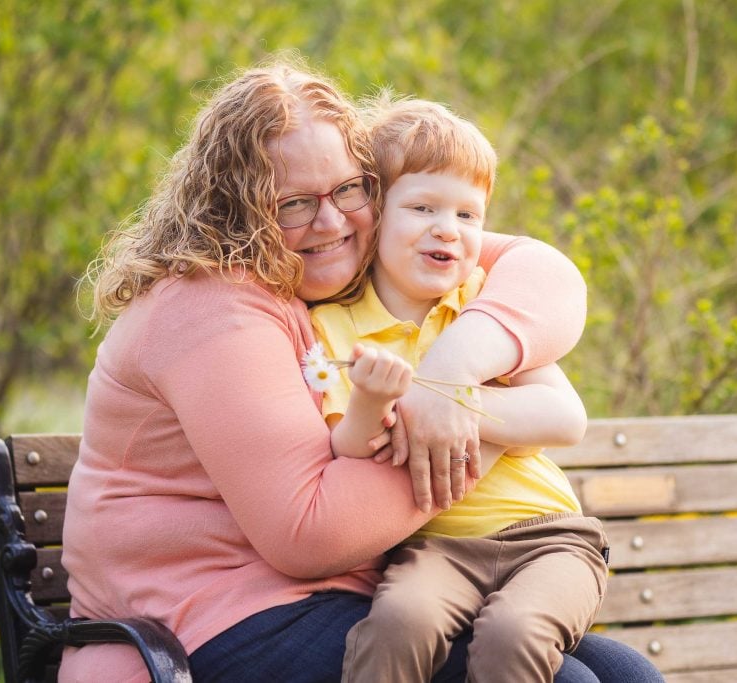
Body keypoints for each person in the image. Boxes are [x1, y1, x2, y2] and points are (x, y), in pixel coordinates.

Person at [59, 58, 663, 682]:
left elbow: (541, 271)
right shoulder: (211, 307)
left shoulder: (339, 266)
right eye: (293, 203)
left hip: (348, 593)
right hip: (214, 618)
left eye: (349, 189)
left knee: (626, 675)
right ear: (236, 208)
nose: (331, 221)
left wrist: (451, 377)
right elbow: (308, 535)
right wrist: (477, 428)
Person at [308, 97, 609, 683]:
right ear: (373, 214)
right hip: (435, 549)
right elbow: (348, 449)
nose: (448, 228)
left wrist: (445, 399)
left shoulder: (481, 306)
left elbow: (563, 418)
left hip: (547, 537)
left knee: (513, 635)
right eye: (423, 207)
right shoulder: (337, 327)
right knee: (398, 622)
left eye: (469, 215)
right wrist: (371, 403)